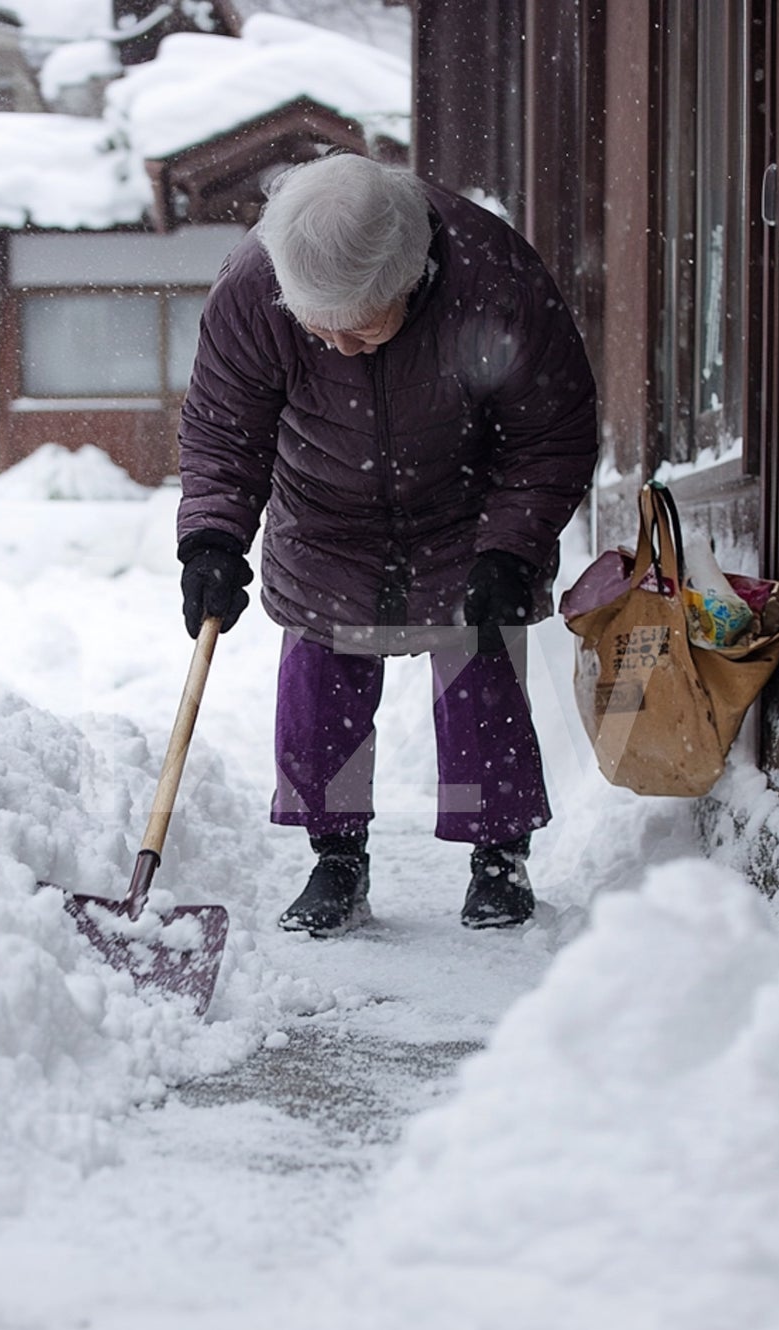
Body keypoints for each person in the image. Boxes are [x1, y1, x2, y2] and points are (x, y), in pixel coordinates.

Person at [176, 152, 598, 936]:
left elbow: (551, 433)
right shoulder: (251, 288)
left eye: (361, 328)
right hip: (321, 509)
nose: (338, 347)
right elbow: (222, 429)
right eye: (318, 328)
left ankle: (497, 854)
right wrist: (210, 538)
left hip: (464, 507)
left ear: (413, 279)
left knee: (479, 680)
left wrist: (510, 549)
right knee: (319, 682)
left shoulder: (492, 280)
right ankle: (335, 855)